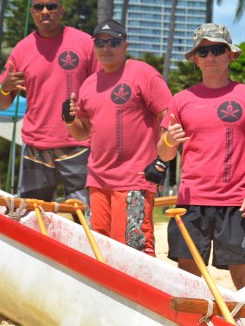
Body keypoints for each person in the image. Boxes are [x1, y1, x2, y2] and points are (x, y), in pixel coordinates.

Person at [158, 23, 245, 291]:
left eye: (217, 50)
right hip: (190, 202)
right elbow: (164, 153)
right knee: (188, 277)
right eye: (204, 51)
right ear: (195, 59)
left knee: (244, 274)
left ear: (230, 54)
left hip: (235, 202)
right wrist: (168, 140)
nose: (211, 57)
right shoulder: (181, 99)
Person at [63, 20, 172, 256]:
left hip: (135, 178)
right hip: (98, 179)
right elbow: (84, 131)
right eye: (100, 43)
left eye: (113, 42)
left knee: (135, 251)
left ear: (125, 45)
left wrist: (161, 160)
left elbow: (169, 115)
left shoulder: (143, 73)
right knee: (98, 249)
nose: (106, 48)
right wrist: (70, 120)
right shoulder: (90, 83)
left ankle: (140, 293)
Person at [0, 0, 100, 203]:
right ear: (32, 12)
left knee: (84, 217)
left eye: (51, 6)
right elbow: (3, 103)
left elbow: (103, 90)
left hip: (78, 146)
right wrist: (5, 88)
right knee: (34, 218)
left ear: (61, 11)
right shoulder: (22, 50)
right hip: (36, 148)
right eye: (39, 7)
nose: (45, 11)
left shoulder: (84, 43)